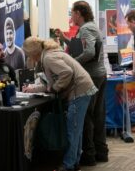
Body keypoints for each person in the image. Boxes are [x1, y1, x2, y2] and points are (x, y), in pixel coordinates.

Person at [23, 36, 97, 171]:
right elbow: (52, 83)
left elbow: (66, 74)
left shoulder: (48, 58)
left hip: (78, 92)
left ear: (33, 53)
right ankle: (74, 163)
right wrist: (32, 89)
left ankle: (68, 166)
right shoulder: (51, 53)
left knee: (72, 131)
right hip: (83, 90)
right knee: (76, 130)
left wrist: (56, 88)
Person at [69, 0, 109, 166]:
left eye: (72, 13)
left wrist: (73, 62)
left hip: (91, 76)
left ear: (78, 13)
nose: (71, 16)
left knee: (87, 116)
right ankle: (101, 152)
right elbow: (87, 47)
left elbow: (90, 51)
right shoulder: (91, 26)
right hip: (99, 74)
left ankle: (90, 155)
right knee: (98, 115)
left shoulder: (86, 28)